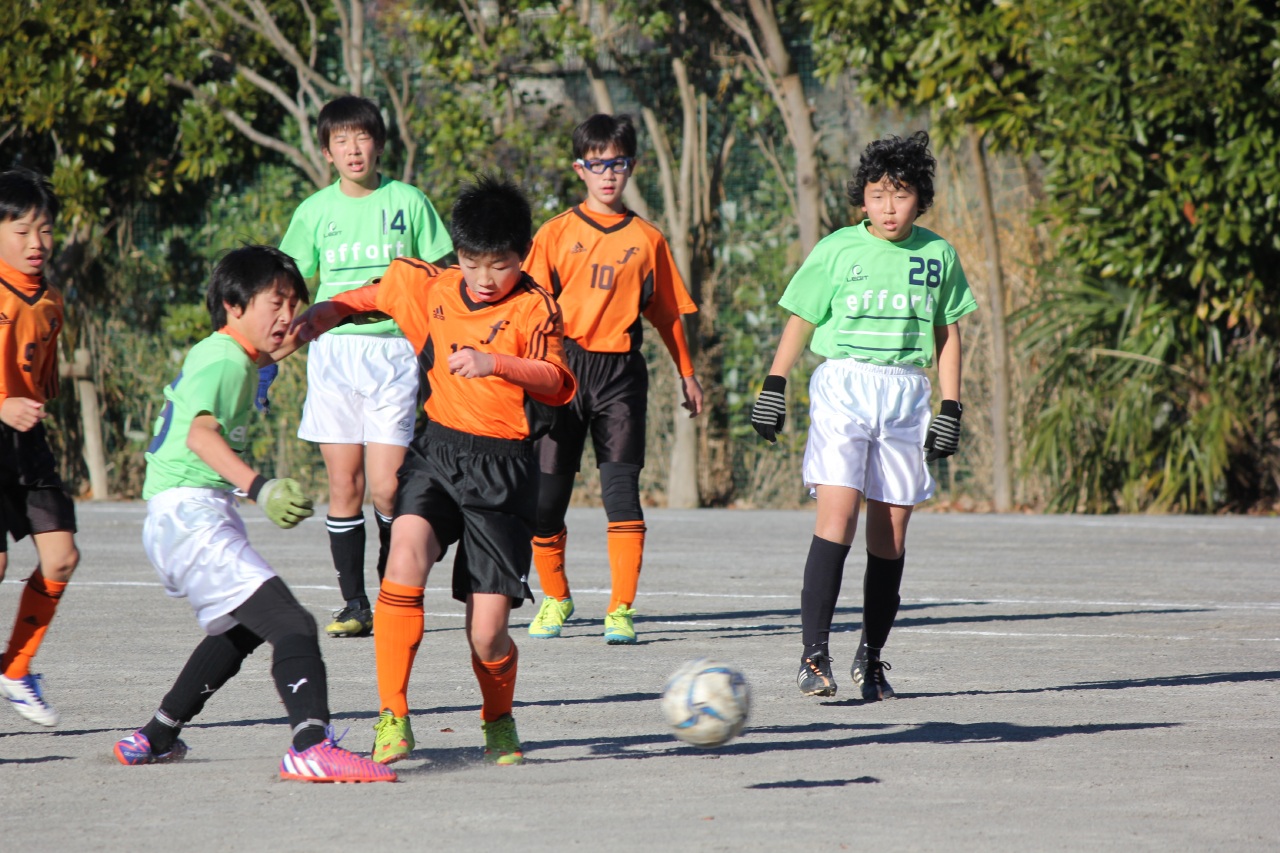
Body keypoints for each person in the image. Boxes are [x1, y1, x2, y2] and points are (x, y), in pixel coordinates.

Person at [292, 174, 576, 767]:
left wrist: (496, 362)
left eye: (498, 265)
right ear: (459, 254)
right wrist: (327, 311)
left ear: (522, 257)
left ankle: (498, 718)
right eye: (472, 263)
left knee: (487, 634)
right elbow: (376, 292)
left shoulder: (536, 308)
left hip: (505, 470)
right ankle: (393, 716)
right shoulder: (434, 286)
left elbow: (558, 382)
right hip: (439, 453)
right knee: (404, 556)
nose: (483, 278)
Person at [113, 246, 395, 783]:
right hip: (191, 516)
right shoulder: (225, 361)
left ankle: (155, 736)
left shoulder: (230, 352)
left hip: (183, 516)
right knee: (293, 623)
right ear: (233, 305)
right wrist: (262, 488)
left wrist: (342, 311)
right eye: (276, 302)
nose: (287, 315)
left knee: (244, 627)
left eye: (293, 302)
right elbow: (200, 436)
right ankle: (310, 745)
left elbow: (286, 341)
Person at [751, 131, 977, 701]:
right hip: (845, 384)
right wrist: (774, 384)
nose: (888, 207)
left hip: (906, 392)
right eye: (877, 195)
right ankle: (814, 656)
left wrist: (951, 405)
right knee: (839, 514)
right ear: (863, 199)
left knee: (891, 531)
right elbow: (802, 318)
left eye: (900, 195)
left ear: (920, 199)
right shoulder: (837, 249)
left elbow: (947, 333)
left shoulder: (938, 255)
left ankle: (871, 658)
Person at [521, 113, 703, 645]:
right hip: (561, 371)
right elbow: (526, 310)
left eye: (617, 164)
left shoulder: (648, 240)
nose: (608, 174)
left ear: (631, 166)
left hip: (620, 375)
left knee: (621, 492)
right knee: (546, 501)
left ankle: (620, 608)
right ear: (579, 168)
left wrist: (687, 373)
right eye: (597, 164)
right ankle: (556, 597)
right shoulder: (555, 233)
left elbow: (667, 314)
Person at [279, 95, 454, 639]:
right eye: (341, 140)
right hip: (334, 355)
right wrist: (268, 350)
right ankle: (355, 604)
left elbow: (443, 274)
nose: (353, 149)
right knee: (344, 485)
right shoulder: (314, 211)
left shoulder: (409, 201)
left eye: (361, 137)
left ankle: (391, 591)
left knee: (386, 487)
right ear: (327, 152)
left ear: (378, 144)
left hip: (394, 352)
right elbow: (288, 284)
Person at [0, 168, 80, 727]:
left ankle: (15, 669)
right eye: (22, 230)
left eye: (45, 230)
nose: (37, 243)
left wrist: (25, 408)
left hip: (26, 442)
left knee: (61, 556)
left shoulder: (51, 300)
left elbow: (41, 381)